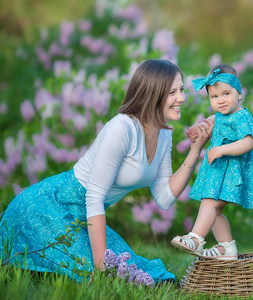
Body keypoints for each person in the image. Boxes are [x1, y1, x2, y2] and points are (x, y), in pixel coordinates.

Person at [0, 59, 213, 282]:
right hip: (44, 208)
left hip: (85, 217)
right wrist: (101, 267)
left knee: (133, 270)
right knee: (104, 270)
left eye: (180, 90)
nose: (182, 98)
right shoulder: (122, 129)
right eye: (173, 92)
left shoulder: (164, 134)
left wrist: (195, 150)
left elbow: (164, 198)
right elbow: (94, 197)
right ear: (153, 93)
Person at [171, 65, 253, 260]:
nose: (220, 100)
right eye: (214, 97)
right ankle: (226, 248)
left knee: (209, 203)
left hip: (234, 172)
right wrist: (198, 130)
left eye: (226, 94)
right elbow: (210, 124)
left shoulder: (242, 116)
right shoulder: (220, 117)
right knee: (215, 211)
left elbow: (247, 143)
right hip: (220, 172)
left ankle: (196, 239)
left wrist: (222, 149)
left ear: (239, 94)